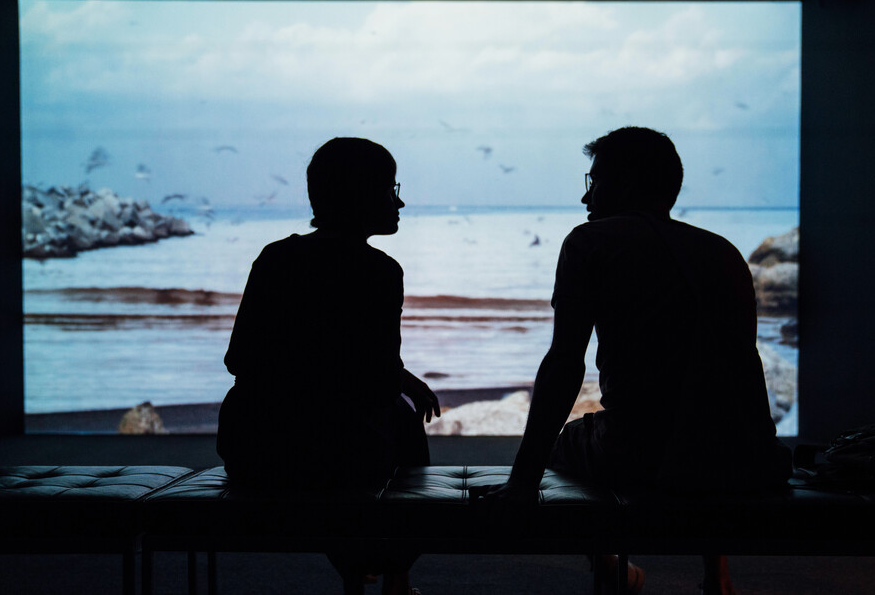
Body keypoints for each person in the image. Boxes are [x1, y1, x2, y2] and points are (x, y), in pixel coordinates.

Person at [479, 127, 792, 594]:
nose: (586, 197)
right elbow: (734, 371)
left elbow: (565, 362)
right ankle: (717, 577)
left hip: (643, 458)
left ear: (624, 182)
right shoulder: (723, 251)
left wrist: (523, 482)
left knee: (565, 444)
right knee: (704, 419)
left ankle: (611, 568)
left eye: (594, 181)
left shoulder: (590, 242)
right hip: (748, 459)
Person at [217, 137, 440, 595]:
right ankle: (396, 577)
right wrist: (396, 383)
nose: (399, 202)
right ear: (362, 194)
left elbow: (239, 358)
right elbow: (377, 382)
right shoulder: (379, 270)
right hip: (336, 459)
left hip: (252, 450)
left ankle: (356, 576)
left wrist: (394, 377)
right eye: (390, 189)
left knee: (344, 423)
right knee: (394, 421)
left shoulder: (276, 257)